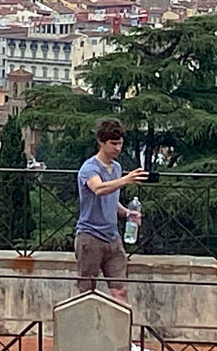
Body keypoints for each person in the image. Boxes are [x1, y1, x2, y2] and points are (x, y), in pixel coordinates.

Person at [75, 118, 147, 303]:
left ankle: (118, 331)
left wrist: (127, 213)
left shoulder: (116, 167)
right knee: (86, 293)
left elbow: (111, 199)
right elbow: (99, 189)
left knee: (120, 291)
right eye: (113, 144)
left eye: (120, 143)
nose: (117, 148)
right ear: (101, 142)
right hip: (90, 237)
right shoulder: (89, 168)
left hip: (113, 238)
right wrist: (127, 180)